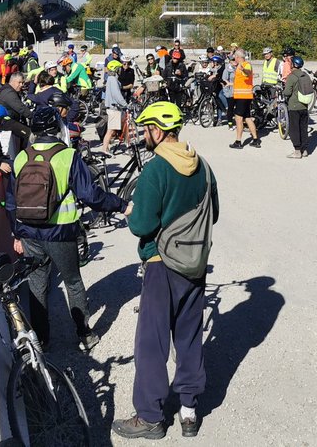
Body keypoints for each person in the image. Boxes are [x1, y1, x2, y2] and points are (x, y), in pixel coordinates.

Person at [111, 101, 219, 440]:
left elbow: (142, 224)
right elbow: (213, 214)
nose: (144, 134)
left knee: (152, 342)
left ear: (158, 130)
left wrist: (134, 213)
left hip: (162, 265)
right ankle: (189, 412)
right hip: (194, 264)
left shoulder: (155, 170)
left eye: (146, 129)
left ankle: (150, 417)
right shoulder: (202, 165)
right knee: (189, 335)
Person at [7, 106, 124, 351]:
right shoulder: (68, 156)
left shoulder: (20, 157)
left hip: (29, 234)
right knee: (72, 281)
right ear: (57, 129)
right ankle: (85, 334)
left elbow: (10, 202)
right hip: (60, 232)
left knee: (37, 285)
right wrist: (120, 204)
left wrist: (16, 233)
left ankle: (42, 340)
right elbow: (90, 195)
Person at [282, 55, 312, 158]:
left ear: (293, 65)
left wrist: (283, 92)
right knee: (303, 128)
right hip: (304, 105)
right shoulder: (305, 75)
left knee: (294, 129)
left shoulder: (292, 76)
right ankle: (305, 150)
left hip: (294, 106)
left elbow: (287, 92)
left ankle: (297, 151)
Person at [229, 49, 260, 149]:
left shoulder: (246, 65)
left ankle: (238, 141)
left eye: (235, 57)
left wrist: (243, 69)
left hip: (243, 96)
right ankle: (255, 140)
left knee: (238, 118)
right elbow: (240, 80)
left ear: (238, 57)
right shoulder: (239, 66)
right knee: (247, 118)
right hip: (243, 95)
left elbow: (248, 73)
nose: (234, 59)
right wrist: (230, 84)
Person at [102, 60, 129, 152]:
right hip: (114, 108)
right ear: (116, 69)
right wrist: (125, 104)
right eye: (119, 68)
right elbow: (116, 94)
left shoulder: (111, 78)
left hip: (113, 107)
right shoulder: (113, 80)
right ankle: (104, 150)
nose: (120, 70)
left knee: (112, 130)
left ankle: (106, 148)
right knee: (110, 131)